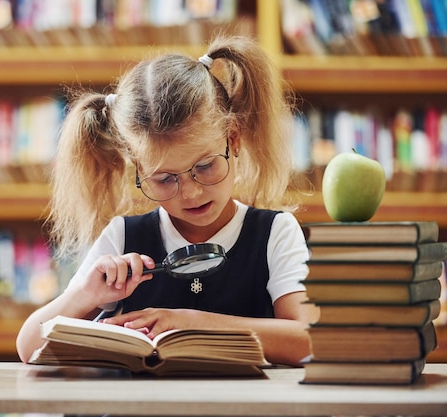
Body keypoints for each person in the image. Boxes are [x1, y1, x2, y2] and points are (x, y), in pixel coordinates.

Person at [16, 35, 319, 367]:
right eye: (164, 179)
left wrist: (195, 324)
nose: (190, 192)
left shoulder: (275, 233)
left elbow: (309, 341)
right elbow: (29, 347)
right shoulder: (122, 237)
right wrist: (86, 296)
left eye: (205, 167)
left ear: (233, 140)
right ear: (139, 171)